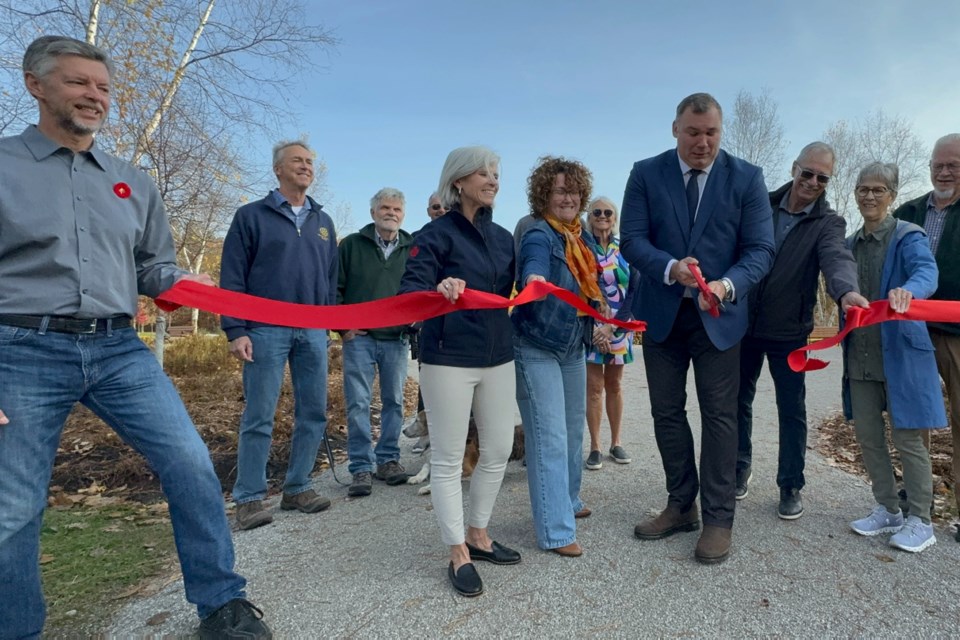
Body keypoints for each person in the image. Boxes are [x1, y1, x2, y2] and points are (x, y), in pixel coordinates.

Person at [0, 36, 270, 638]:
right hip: (19, 350)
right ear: (35, 85)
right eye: (77, 83)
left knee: (192, 466)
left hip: (119, 348)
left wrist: (184, 283)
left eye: (101, 87)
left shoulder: (133, 184)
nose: (94, 97)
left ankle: (222, 603)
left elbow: (153, 267)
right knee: (13, 508)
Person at [620, 92, 774, 564]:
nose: (702, 143)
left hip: (718, 318)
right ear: (675, 129)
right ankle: (681, 504)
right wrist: (670, 268)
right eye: (693, 133)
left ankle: (719, 518)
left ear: (719, 132)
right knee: (666, 413)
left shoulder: (746, 178)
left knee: (720, 417)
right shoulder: (646, 173)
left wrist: (726, 286)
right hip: (664, 314)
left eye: (711, 133)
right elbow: (632, 240)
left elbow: (761, 250)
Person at [399, 146, 519, 597]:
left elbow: (515, 290)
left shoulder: (505, 237)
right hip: (448, 357)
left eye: (495, 173)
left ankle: (479, 533)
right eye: (483, 173)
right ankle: (457, 552)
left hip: (499, 355)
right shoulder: (434, 235)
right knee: (448, 459)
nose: (492, 179)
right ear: (458, 182)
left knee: (498, 449)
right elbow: (411, 289)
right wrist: (438, 287)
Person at [736, 143, 867, 519]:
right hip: (744, 325)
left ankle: (790, 483)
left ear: (828, 180)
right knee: (736, 403)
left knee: (791, 408)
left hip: (789, 332)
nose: (812, 182)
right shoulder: (759, 204)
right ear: (795, 168)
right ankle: (738, 468)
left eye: (821, 177)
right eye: (807, 172)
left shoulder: (828, 223)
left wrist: (846, 291)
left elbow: (837, 258)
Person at [220, 139, 336, 530]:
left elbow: (331, 278)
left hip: (313, 330)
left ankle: (298, 487)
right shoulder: (251, 216)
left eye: (309, 161)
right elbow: (232, 276)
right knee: (259, 413)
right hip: (264, 329)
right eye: (297, 161)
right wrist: (236, 329)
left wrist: (329, 325)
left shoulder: (324, 223)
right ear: (277, 169)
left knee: (314, 411)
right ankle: (250, 498)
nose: (305, 167)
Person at [843, 162, 943, 553]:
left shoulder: (908, 235)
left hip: (901, 353)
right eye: (863, 189)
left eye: (878, 190)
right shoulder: (850, 243)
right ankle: (887, 508)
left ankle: (921, 519)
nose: (869, 196)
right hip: (861, 355)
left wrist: (909, 291)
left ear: (892, 196)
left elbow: (926, 272)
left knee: (909, 440)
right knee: (868, 437)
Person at [514, 157, 602, 557]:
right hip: (536, 346)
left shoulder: (581, 238)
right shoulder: (539, 234)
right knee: (548, 436)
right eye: (559, 190)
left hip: (572, 346)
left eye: (573, 190)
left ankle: (567, 500)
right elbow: (532, 261)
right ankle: (555, 530)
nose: (568, 197)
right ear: (544, 195)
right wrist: (533, 277)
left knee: (572, 432)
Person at [893, 133, 960, 534]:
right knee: (913, 416)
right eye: (939, 164)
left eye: (953, 164)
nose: (945, 171)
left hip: (956, 333)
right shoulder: (909, 210)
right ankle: (917, 497)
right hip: (913, 331)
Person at [338, 187, 413, 497]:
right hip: (360, 340)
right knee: (358, 403)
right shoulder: (352, 245)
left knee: (394, 402)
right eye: (384, 208)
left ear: (403, 214)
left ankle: (388, 460)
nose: (390, 213)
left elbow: (419, 288)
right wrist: (342, 329)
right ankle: (360, 467)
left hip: (396, 339)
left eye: (396, 209)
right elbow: (336, 288)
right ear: (373, 213)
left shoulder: (413, 248)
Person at [582, 197, 640, 470]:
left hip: (620, 325)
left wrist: (613, 325)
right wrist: (596, 327)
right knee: (593, 388)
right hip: (591, 327)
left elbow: (635, 288)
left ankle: (615, 442)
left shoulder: (625, 249)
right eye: (597, 212)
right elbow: (578, 288)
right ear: (589, 217)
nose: (602, 216)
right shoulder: (582, 248)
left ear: (615, 218)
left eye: (608, 212)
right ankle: (594, 446)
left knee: (614, 385)